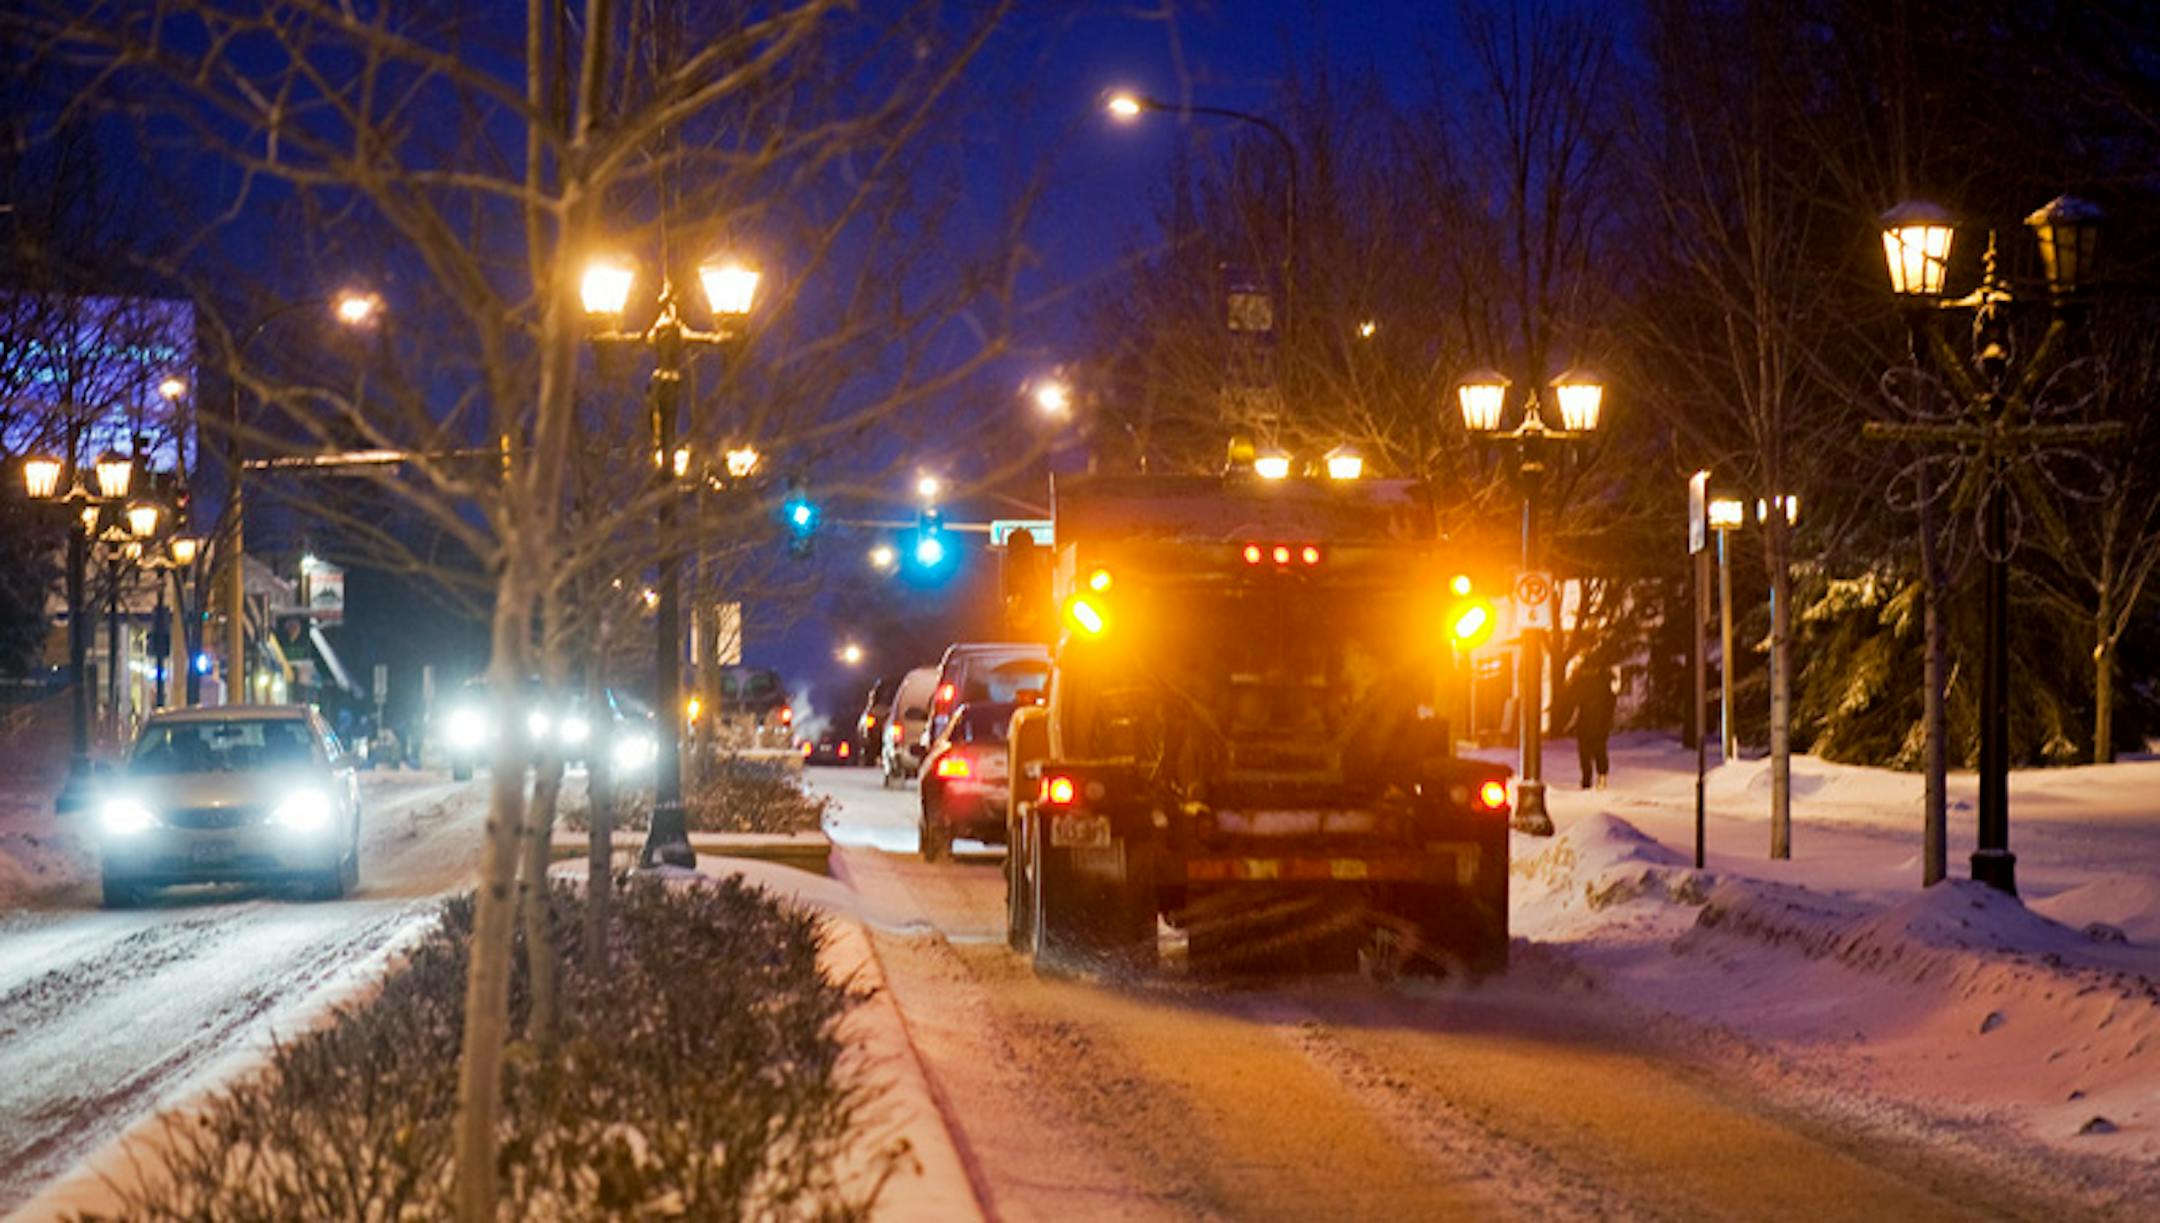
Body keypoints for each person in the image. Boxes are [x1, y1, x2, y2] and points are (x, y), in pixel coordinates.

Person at [1571, 662, 1618, 790]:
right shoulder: (1604, 684)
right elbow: (1611, 704)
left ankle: (1587, 780)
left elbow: (1573, 699)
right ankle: (1601, 777)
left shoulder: (1583, 683)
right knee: (1599, 750)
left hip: (1586, 723)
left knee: (1586, 753)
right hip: (1599, 723)